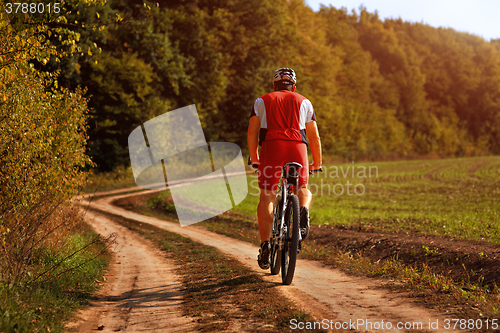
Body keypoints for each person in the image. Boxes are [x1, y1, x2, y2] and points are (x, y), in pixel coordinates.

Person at [247, 67, 322, 269]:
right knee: (302, 188)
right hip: (298, 147)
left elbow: (253, 132)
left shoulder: (262, 101)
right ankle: (303, 209)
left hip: (271, 147)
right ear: (293, 86)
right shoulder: (304, 101)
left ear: (274, 85)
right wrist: (318, 162)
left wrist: (255, 158)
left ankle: (265, 245)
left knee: (267, 196)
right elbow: (314, 136)